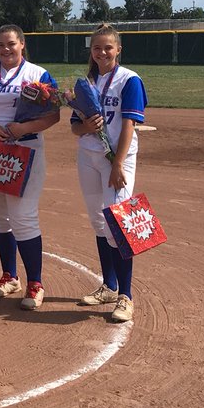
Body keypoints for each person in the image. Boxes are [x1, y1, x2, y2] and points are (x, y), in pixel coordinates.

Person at [0, 24, 61, 310]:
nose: (6, 49)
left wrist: (22, 128)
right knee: (0, 216)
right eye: (0, 45)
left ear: (22, 45)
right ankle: (9, 276)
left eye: (11, 43)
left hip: (25, 148)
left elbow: (53, 115)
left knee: (23, 215)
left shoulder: (37, 74)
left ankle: (35, 282)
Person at [71, 23, 148, 323]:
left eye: (108, 47)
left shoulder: (129, 80)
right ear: (91, 51)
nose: (102, 52)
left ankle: (126, 297)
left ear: (118, 50)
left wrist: (117, 164)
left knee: (118, 225)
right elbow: (75, 128)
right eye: (96, 48)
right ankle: (109, 285)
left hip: (117, 160)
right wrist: (85, 127)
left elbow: (129, 123)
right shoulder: (86, 82)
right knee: (98, 222)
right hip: (88, 157)